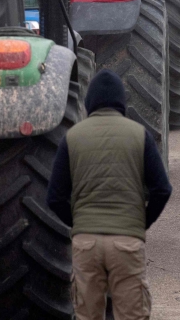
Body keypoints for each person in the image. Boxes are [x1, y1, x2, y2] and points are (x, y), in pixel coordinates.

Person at [47, 69, 172, 320]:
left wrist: (80, 224)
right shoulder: (140, 135)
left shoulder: (72, 137)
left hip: (86, 246)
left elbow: (54, 197)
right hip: (127, 242)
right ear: (121, 101)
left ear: (89, 102)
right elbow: (162, 189)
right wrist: (140, 222)